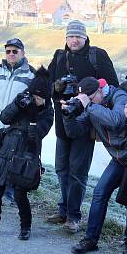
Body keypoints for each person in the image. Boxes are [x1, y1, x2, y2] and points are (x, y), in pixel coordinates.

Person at [46, 20, 118, 233]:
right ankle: (63, 209)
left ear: (85, 38)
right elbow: (46, 84)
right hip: (62, 119)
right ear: (66, 38)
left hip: (86, 122)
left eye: (79, 36)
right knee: (61, 169)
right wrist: (56, 87)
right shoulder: (59, 56)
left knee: (78, 171)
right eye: (71, 36)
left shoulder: (97, 56)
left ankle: (74, 216)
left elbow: (112, 86)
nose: (74, 40)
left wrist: (86, 95)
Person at [0, 67, 53, 240]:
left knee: (20, 194)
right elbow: (4, 118)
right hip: (7, 148)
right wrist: (16, 104)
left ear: (45, 98)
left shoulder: (48, 112)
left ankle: (25, 228)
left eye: (38, 97)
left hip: (26, 155)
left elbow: (37, 137)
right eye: (33, 96)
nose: (34, 100)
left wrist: (34, 117)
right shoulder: (22, 100)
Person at [69, 77, 127, 254]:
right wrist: (68, 115)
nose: (87, 103)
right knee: (99, 193)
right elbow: (74, 131)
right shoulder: (92, 104)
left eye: (90, 98)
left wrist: (88, 106)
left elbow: (117, 120)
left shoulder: (119, 96)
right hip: (119, 158)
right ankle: (90, 240)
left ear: (99, 91)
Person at [0, 38, 35, 203]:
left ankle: (7, 194)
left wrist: (32, 126)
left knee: (11, 163)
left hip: (16, 128)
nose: (11, 54)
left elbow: (37, 103)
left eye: (15, 51)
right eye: (8, 51)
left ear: (23, 53)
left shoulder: (31, 74)